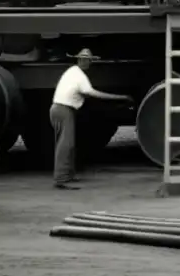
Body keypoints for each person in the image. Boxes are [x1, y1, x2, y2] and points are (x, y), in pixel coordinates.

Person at [50, 48, 131, 190]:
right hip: (64, 109)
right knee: (66, 145)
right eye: (83, 59)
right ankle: (61, 179)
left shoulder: (72, 72)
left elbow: (82, 93)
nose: (85, 62)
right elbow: (91, 92)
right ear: (79, 60)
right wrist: (120, 97)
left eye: (87, 60)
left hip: (59, 108)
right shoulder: (79, 75)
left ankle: (67, 175)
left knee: (66, 143)